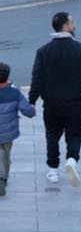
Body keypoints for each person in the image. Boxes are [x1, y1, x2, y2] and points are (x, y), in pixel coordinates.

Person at [29, 9, 81, 186]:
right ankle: (71, 160)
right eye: (72, 22)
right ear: (66, 26)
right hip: (73, 103)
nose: (74, 24)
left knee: (52, 135)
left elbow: (36, 78)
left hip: (51, 104)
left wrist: (32, 100)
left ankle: (53, 171)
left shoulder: (43, 51)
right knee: (74, 134)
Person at [0, 59, 35, 195]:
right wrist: (32, 110)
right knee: (6, 154)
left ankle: (0, 178)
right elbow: (27, 111)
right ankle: (4, 178)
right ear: (7, 76)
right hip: (9, 132)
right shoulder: (14, 92)